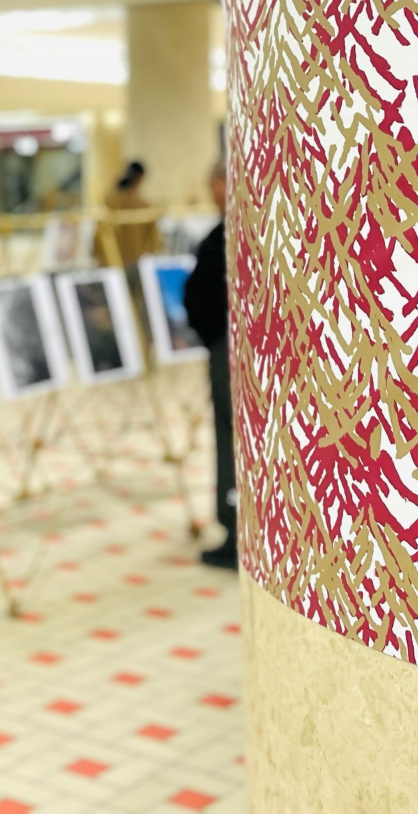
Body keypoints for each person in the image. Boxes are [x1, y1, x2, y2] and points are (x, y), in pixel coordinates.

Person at [183, 159, 234, 569]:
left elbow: (204, 298)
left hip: (228, 351)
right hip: (233, 348)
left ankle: (237, 531)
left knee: (232, 439)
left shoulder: (227, 238)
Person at [102, 159, 159, 270]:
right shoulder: (139, 204)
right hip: (132, 256)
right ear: (139, 178)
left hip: (115, 257)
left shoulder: (113, 197)